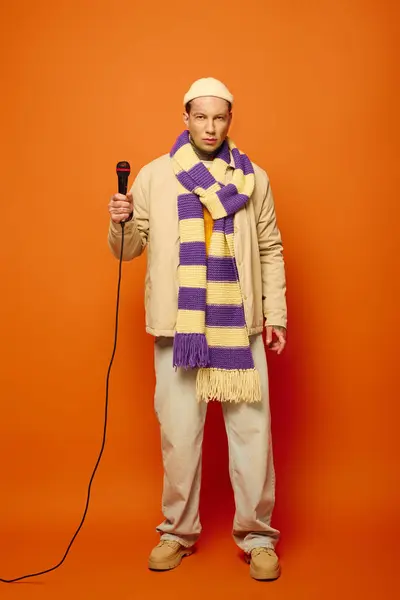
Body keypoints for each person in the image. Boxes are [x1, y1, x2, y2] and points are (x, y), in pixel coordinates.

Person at [107, 77, 287, 581]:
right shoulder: (153, 176)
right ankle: (177, 533)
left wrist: (276, 315)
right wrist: (120, 222)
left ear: (230, 120)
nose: (210, 127)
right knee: (179, 437)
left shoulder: (254, 178)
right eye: (201, 116)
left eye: (220, 117)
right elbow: (128, 249)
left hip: (238, 327)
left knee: (253, 435)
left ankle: (257, 538)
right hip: (179, 328)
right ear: (184, 118)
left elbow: (270, 248)